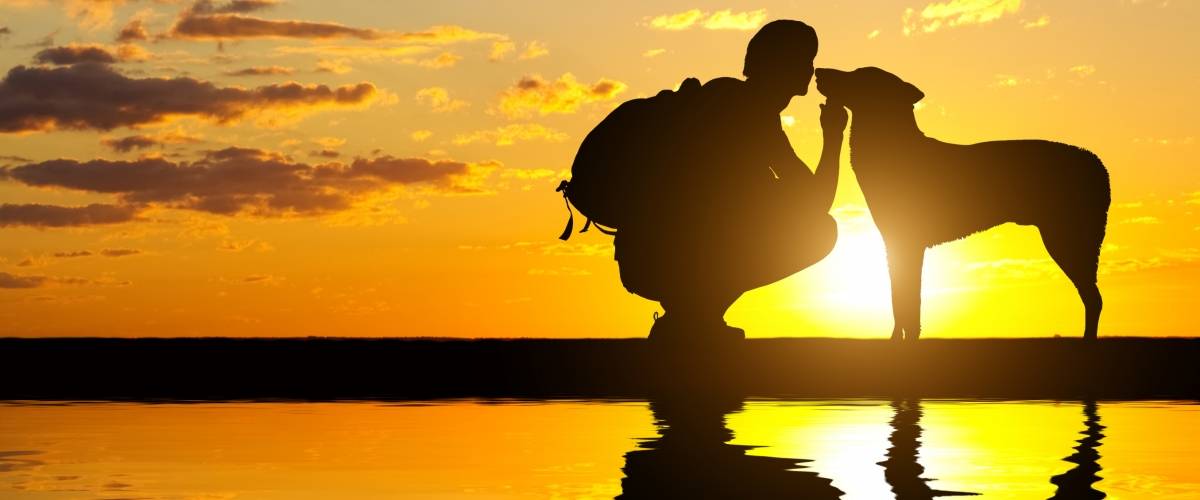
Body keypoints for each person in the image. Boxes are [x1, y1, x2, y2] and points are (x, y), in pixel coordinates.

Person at [613, 19, 847, 343]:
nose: (810, 69)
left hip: (641, 253)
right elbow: (815, 203)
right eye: (805, 59)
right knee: (820, 230)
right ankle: (694, 318)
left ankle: (692, 317)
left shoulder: (732, 101)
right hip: (664, 255)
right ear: (785, 65)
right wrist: (833, 136)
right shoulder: (749, 113)